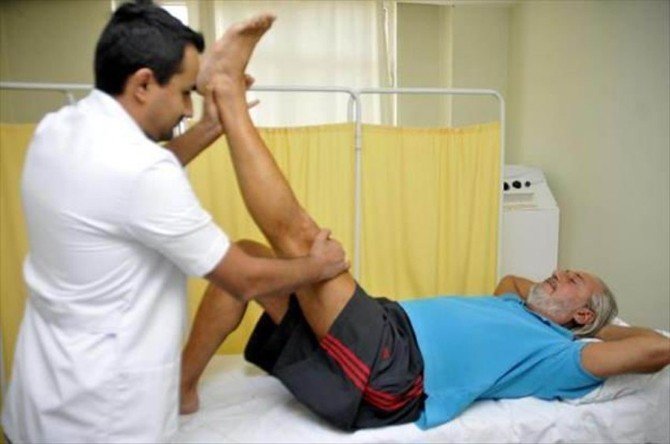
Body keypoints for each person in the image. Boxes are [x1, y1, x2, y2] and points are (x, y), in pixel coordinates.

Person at [178, 13, 670, 432]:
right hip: (384, 328)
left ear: (582, 318)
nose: (557, 272)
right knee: (245, 259)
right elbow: (513, 282)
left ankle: (228, 97)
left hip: (395, 368)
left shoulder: (561, 356)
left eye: (572, 280)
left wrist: (594, 330)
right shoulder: (515, 305)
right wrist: (557, 303)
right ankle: (183, 388)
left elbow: (656, 349)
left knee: (303, 242)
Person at [1, 4, 349, 443]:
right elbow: (241, 279)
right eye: (186, 92)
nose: (187, 108)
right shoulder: (142, 171)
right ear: (144, 83)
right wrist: (317, 266)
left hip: (38, 397)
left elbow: (119, 188)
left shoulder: (59, 129)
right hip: (102, 419)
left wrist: (209, 128)